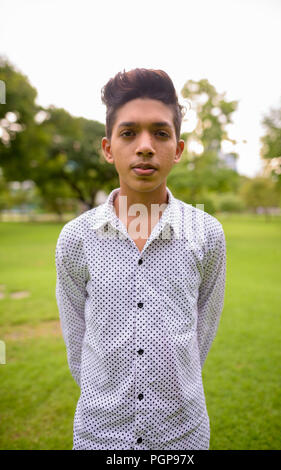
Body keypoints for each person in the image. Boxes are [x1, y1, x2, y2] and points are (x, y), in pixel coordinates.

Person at [55, 68, 226, 450]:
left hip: (183, 435)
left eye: (161, 133)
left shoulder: (207, 234)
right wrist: (105, 396)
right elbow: (77, 339)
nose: (145, 146)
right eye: (129, 133)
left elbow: (202, 331)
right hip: (99, 436)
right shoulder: (75, 239)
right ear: (107, 147)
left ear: (178, 149)